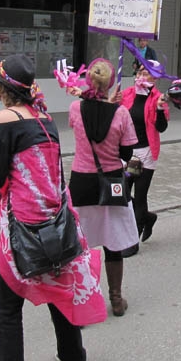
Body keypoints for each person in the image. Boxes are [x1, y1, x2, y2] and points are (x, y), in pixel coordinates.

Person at [0, 55, 105, 361]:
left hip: (23, 227)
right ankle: (74, 358)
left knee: (7, 311)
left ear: (2, 88)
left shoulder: (5, 119)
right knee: (57, 289)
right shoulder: (45, 118)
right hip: (56, 221)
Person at [68, 59, 139, 316]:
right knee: (113, 243)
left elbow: (83, 123)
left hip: (81, 182)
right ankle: (116, 299)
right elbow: (127, 152)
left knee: (80, 245)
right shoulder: (121, 113)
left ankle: (83, 301)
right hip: (112, 184)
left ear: (88, 81)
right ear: (110, 84)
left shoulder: (75, 108)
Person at [119, 60, 170, 256]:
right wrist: (112, 102)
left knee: (140, 195)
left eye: (147, 73)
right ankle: (147, 217)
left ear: (155, 78)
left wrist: (159, 109)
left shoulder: (158, 97)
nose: (141, 76)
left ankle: (133, 240)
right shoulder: (126, 94)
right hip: (126, 151)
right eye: (140, 71)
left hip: (146, 152)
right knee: (121, 193)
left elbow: (161, 128)